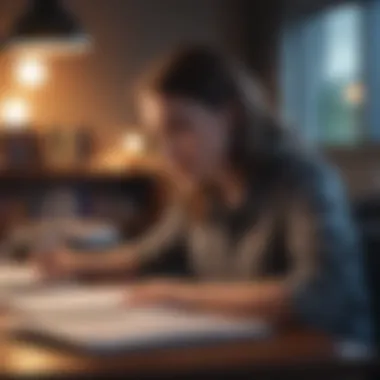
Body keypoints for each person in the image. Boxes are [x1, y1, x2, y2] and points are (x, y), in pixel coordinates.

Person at [45, 45, 371, 350]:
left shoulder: (303, 180)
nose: (168, 152)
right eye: (159, 135)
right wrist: (72, 263)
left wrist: (181, 296)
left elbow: (322, 294)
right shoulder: (203, 189)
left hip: (322, 361)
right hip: (247, 355)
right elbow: (148, 256)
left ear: (230, 115)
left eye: (180, 127)